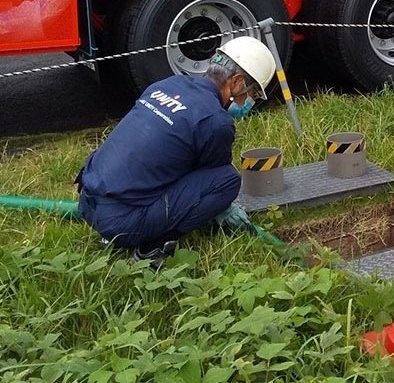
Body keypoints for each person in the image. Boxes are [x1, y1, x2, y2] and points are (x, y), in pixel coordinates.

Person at [77, 36, 276, 268]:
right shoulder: (216, 121)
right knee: (228, 180)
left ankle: (116, 228)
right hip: (122, 223)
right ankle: (152, 248)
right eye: (252, 93)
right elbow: (212, 177)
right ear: (237, 81)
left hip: (87, 200)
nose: (249, 101)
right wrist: (222, 206)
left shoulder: (168, 85)